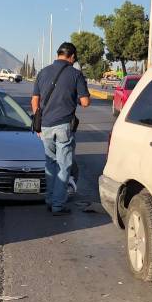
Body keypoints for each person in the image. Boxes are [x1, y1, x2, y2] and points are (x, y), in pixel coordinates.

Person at [31, 42, 90, 215]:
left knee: (50, 164)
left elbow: (35, 100)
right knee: (63, 166)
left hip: (45, 126)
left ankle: (50, 200)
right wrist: (75, 97)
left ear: (58, 54)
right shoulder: (75, 74)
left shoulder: (42, 72)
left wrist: (38, 122)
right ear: (72, 56)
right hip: (64, 126)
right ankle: (58, 205)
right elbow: (85, 102)